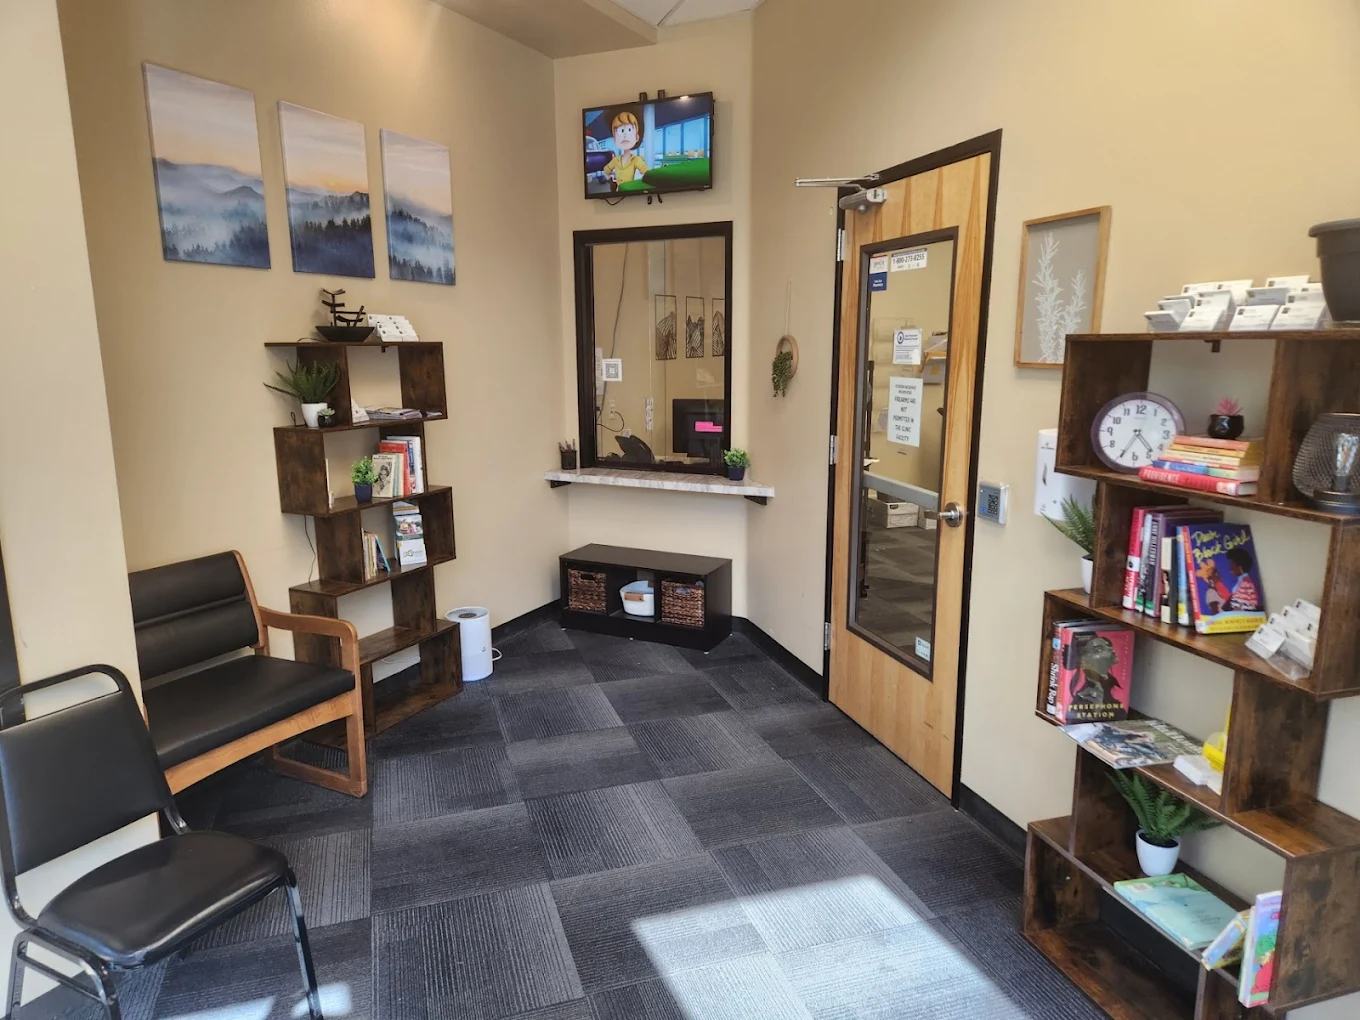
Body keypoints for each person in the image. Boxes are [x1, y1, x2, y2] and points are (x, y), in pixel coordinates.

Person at [600, 110, 648, 189]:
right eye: (620, 131)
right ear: (615, 139)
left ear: (637, 137)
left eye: (629, 130)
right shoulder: (615, 160)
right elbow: (606, 171)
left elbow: (647, 173)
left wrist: (638, 187)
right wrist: (611, 183)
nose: (624, 135)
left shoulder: (636, 160)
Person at [1204, 547, 1260, 612]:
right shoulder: (1242, 581)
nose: (1230, 568)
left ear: (1240, 567)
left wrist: (1218, 583)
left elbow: (1233, 604)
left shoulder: (1246, 584)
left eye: (1232, 564)